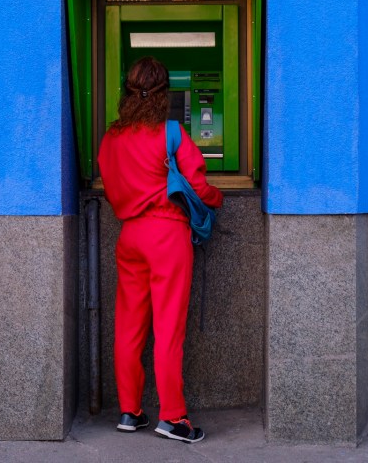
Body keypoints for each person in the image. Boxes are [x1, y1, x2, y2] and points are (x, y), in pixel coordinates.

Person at [98, 56, 223, 444]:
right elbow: (198, 184)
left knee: (129, 326)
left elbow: (110, 179)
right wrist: (216, 199)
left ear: (128, 91)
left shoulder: (110, 138)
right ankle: (173, 418)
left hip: (129, 236)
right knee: (168, 329)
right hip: (166, 235)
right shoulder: (170, 132)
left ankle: (130, 410)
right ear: (165, 92)